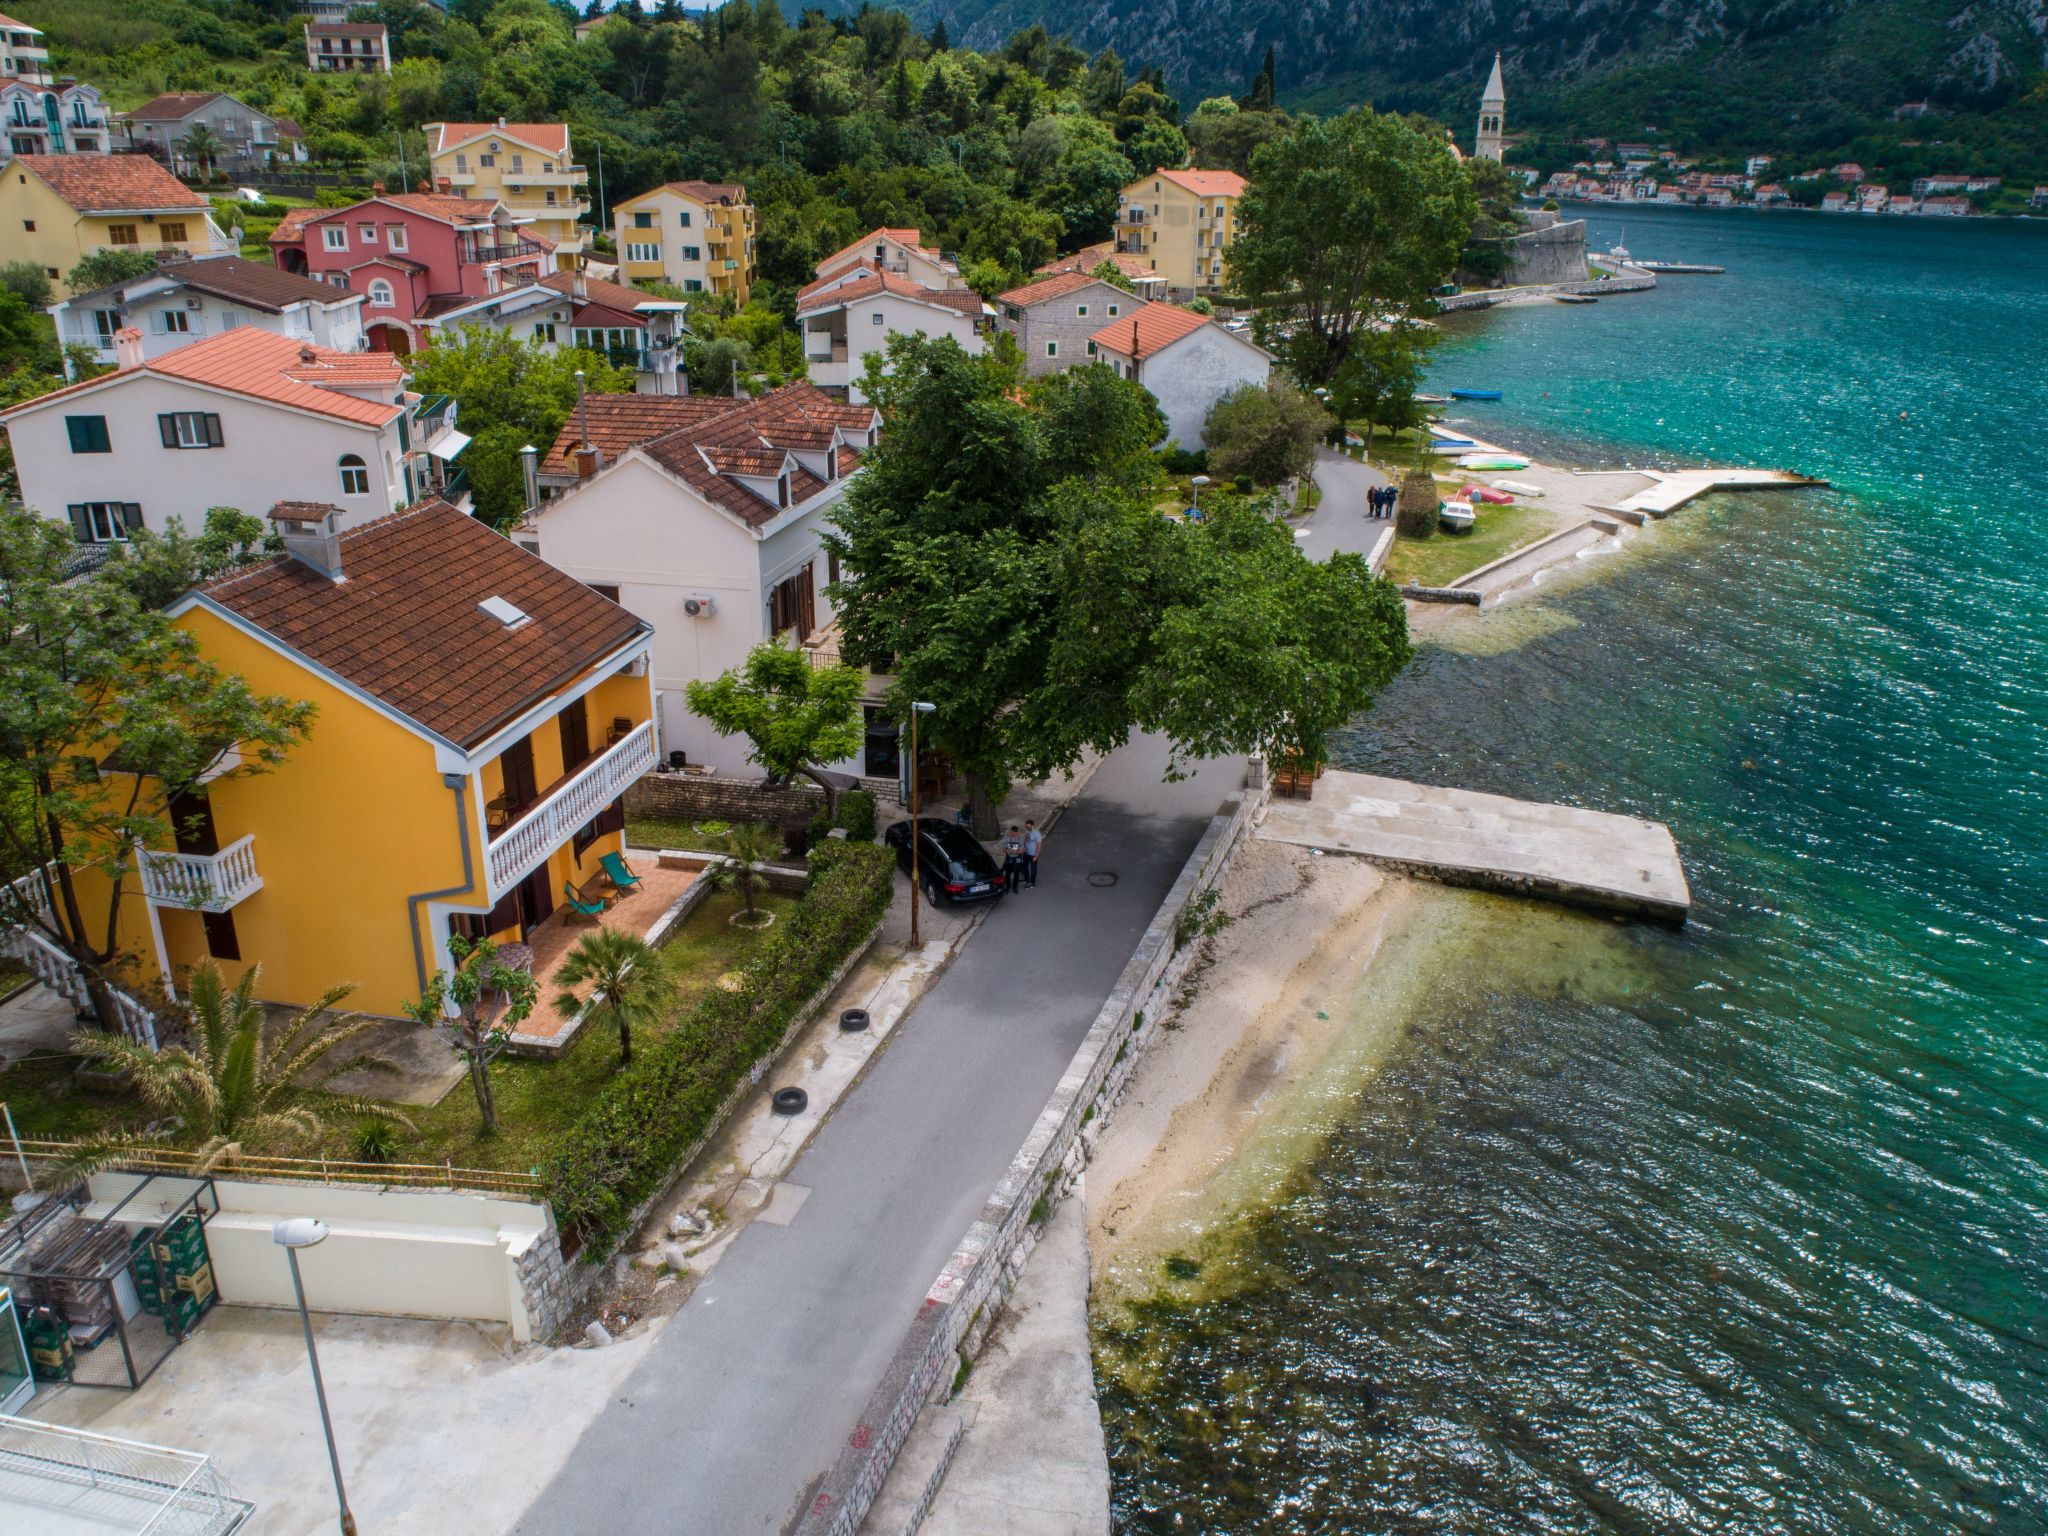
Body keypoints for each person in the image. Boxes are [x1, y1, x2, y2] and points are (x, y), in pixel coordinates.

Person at [1001, 825, 1024, 894]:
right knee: (1007, 874)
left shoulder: (1020, 840)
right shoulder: (1007, 839)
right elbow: (1004, 849)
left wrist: (1017, 852)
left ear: (1017, 832)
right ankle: (1007, 887)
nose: (1013, 834)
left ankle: (1015, 887)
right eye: (1012, 832)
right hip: (1009, 858)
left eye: (1014, 832)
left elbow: (1022, 851)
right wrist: (1008, 851)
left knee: (1016, 874)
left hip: (1016, 859)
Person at [1022, 819, 1042, 888]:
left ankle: (1032, 883)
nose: (1027, 828)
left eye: (1028, 827)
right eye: (1026, 827)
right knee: (1025, 867)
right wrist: (1023, 849)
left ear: (1032, 825)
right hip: (1026, 853)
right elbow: (1025, 840)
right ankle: (1026, 879)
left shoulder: (1037, 834)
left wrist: (1036, 856)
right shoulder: (1027, 832)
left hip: (1033, 855)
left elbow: (1039, 846)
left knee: (1033, 870)